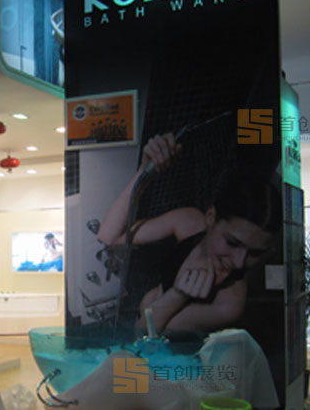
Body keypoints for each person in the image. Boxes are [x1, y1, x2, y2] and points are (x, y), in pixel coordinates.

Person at [97, 132, 281, 334]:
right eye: (232, 243)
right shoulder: (189, 223)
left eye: (254, 253)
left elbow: (144, 334)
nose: (239, 262)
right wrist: (144, 173)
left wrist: (179, 295)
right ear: (211, 216)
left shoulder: (229, 303)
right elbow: (109, 237)